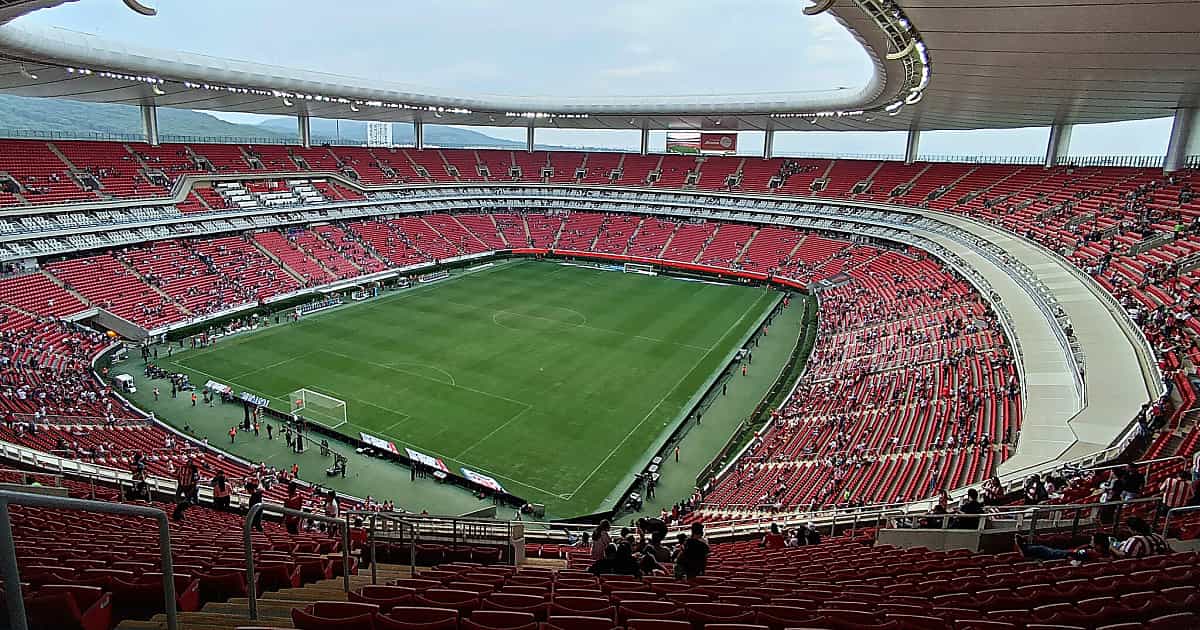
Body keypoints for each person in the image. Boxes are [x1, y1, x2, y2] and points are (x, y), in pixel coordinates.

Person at [1016, 532, 1111, 562]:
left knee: (1042, 549)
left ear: (1098, 545)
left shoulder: (1093, 553)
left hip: (1064, 555)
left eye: (1092, 540)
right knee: (1044, 547)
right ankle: (1026, 546)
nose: (1090, 542)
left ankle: (1025, 550)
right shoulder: (1092, 550)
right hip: (1066, 553)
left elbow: (1077, 554)